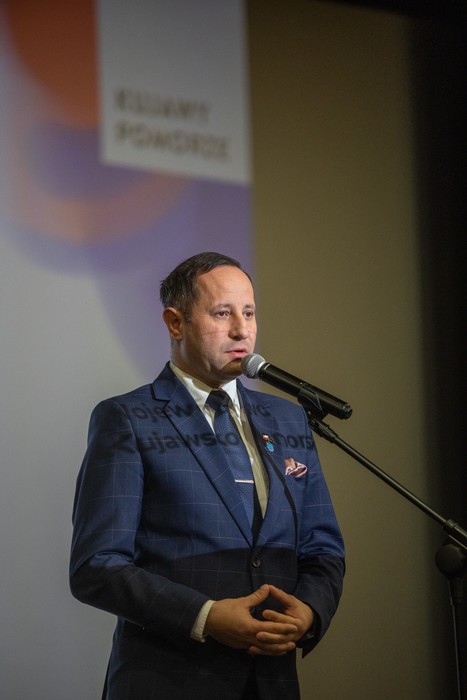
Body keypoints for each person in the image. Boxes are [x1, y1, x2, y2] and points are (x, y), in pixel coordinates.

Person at [70, 251, 345, 700]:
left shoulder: (287, 419)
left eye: (249, 313)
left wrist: (309, 612)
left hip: (272, 681)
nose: (242, 330)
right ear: (175, 323)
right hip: (167, 681)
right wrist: (206, 616)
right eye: (222, 313)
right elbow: (96, 566)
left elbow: (323, 547)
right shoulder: (128, 419)